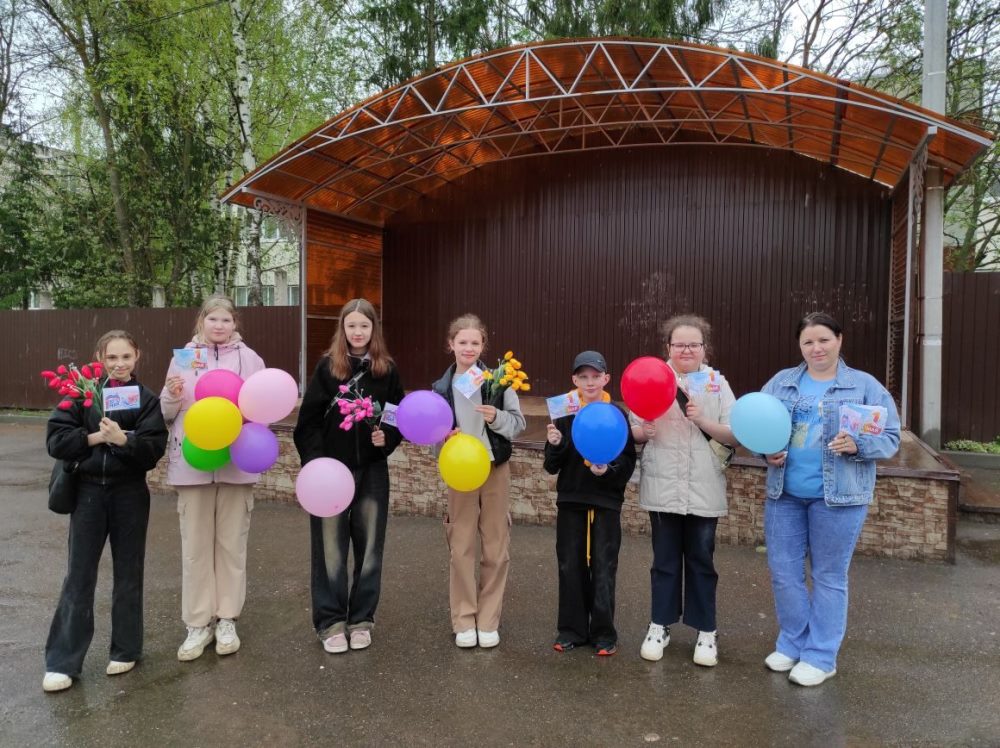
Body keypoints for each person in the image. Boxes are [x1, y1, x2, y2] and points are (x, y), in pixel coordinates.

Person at [761, 312, 900, 686]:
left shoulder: (865, 386)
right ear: (800, 346)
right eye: (808, 342)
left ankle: (821, 656)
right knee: (784, 573)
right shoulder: (782, 383)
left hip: (839, 498)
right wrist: (767, 453)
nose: (816, 348)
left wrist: (859, 444)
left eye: (823, 339)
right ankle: (792, 643)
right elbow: (760, 427)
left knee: (828, 576)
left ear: (839, 339)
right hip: (783, 495)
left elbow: (891, 437)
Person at [43, 330, 168, 692]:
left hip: (129, 494)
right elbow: (56, 441)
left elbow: (153, 449)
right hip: (87, 495)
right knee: (79, 576)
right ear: (100, 358)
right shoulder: (82, 395)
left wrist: (125, 440)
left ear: (137, 357)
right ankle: (62, 661)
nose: (119, 364)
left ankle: (126, 649)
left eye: (126, 357)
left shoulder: (145, 399)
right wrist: (95, 438)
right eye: (112, 358)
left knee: (129, 573)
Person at [293, 298, 405, 653]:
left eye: (364, 326)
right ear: (343, 329)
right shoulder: (327, 368)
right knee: (330, 550)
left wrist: (385, 440)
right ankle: (331, 622)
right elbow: (307, 423)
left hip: (371, 471)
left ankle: (361, 620)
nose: (358, 332)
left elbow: (396, 418)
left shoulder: (386, 370)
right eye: (351, 326)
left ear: (374, 330)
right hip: (330, 473)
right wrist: (316, 464)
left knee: (370, 547)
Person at [160, 295, 266, 662]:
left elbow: (261, 408)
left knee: (231, 546)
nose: (219, 326)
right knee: (195, 549)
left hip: (236, 465)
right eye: (212, 319)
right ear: (201, 322)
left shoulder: (250, 359)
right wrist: (172, 396)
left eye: (226, 320)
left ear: (235, 323)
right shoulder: (183, 358)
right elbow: (166, 410)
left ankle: (227, 620)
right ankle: (197, 624)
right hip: (193, 466)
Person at [629, 315, 736, 667]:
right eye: (679, 344)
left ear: (704, 348)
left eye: (694, 344)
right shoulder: (650, 378)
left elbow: (736, 434)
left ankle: (707, 630)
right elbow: (632, 429)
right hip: (663, 486)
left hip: (704, 486)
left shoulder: (718, 384)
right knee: (664, 561)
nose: (686, 350)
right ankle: (659, 624)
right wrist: (643, 431)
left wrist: (704, 421)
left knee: (702, 561)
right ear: (668, 348)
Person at [432, 314, 526, 648]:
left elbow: (518, 424)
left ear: (483, 345)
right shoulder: (440, 388)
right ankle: (463, 619)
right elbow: (430, 435)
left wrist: (496, 416)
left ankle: (488, 620)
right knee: (461, 547)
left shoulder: (499, 381)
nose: (468, 347)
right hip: (460, 471)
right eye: (462, 342)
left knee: (496, 547)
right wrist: (443, 439)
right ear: (451, 345)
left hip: (494, 468)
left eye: (475, 342)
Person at [544, 351, 637, 656]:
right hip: (571, 499)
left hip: (606, 502)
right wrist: (555, 444)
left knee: (604, 566)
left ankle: (604, 633)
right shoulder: (563, 411)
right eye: (583, 377)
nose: (589, 382)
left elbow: (627, 461)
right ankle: (571, 630)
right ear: (574, 380)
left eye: (595, 376)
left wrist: (606, 470)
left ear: (606, 378)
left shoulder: (617, 414)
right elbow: (551, 465)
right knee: (570, 566)